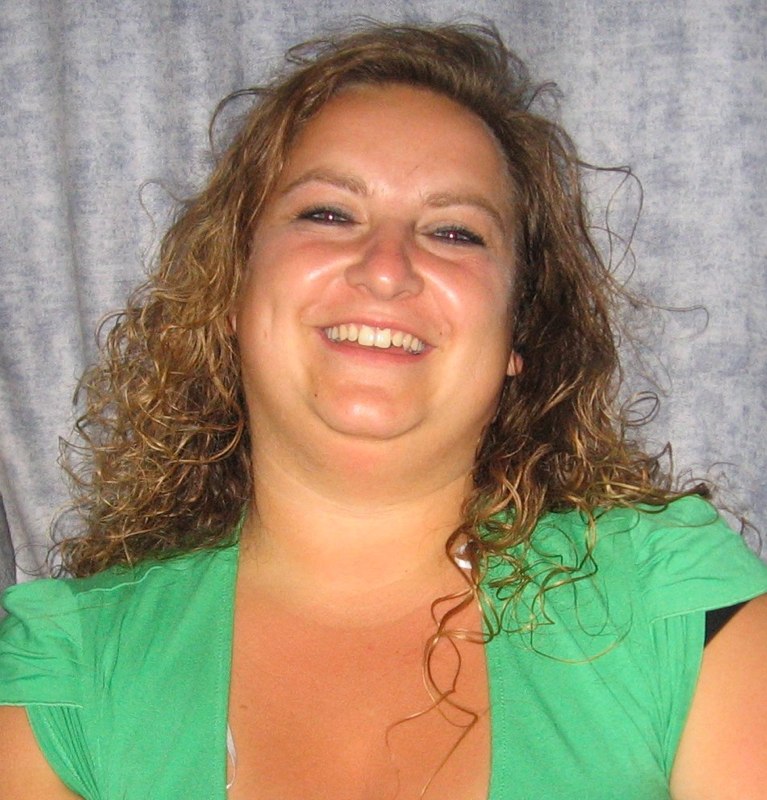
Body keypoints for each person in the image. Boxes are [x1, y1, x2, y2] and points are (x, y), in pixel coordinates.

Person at [1, 22, 766, 800]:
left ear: (518, 331)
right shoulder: (67, 672)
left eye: (454, 232)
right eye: (328, 214)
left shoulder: (671, 608)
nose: (387, 268)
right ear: (231, 289)